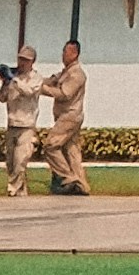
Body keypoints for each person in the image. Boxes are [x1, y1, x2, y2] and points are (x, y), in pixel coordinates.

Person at [39, 40, 90, 194]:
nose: (63, 55)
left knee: (51, 145)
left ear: (74, 54)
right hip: (65, 115)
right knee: (71, 150)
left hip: (70, 116)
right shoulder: (65, 72)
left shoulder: (77, 74)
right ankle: (82, 186)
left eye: (66, 52)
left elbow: (65, 94)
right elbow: (50, 80)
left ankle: (68, 178)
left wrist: (42, 90)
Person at [0, 52, 45, 196]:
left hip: (27, 125)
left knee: (20, 161)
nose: (22, 62)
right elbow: (2, 98)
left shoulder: (36, 78)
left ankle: (13, 190)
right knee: (10, 162)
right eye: (20, 59)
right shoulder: (14, 78)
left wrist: (13, 79)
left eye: (26, 60)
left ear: (32, 61)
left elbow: (28, 91)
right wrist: (5, 81)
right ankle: (20, 192)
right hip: (12, 123)